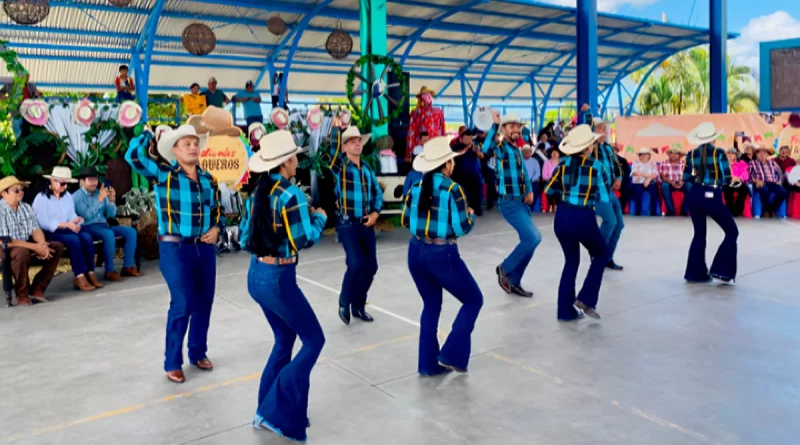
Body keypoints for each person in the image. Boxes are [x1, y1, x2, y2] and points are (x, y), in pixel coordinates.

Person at [244, 130, 327, 443]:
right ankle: (275, 412)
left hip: (256, 275)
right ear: (285, 162)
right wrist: (318, 217)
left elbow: (243, 237)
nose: (297, 160)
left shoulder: (257, 194)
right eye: (294, 156)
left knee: (284, 340)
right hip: (279, 279)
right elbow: (304, 239)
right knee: (314, 340)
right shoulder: (291, 195)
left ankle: (265, 409)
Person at [125, 125, 225, 384]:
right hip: (175, 248)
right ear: (174, 150)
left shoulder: (208, 179)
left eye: (195, 143)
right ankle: (172, 362)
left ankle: (198, 352)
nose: (192, 147)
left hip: (204, 247)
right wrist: (147, 132)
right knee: (182, 302)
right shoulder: (163, 174)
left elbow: (218, 212)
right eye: (186, 143)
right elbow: (134, 157)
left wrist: (217, 228)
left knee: (205, 301)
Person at [402, 136, 483, 375]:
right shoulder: (453, 189)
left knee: (431, 305)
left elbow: (406, 219)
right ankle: (451, 354)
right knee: (473, 300)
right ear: (446, 164)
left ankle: (427, 365)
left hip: (416, 251)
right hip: (442, 253)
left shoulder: (416, 187)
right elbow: (461, 227)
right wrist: (470, 215)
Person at [544, 124, 608, 321]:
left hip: (562, 217)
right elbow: (603, 198)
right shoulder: (596, 166)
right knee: (601, 253)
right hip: (583, 217)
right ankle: (586, 299)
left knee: (571, 261)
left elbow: (548, 191)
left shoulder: (562, 164)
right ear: (588, 146)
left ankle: (565, 311)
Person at [329, 119, 383, 324]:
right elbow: (332, 155)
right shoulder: (340, 166)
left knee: (371, 267)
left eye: (359, 140)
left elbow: (377, 193)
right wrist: (336, 129)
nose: (357, 144)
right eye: (351, 141)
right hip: (347, 224)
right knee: (356, 264)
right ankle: (344, 301)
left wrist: (376, 214)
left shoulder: (367, 169)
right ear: (344, 147)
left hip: (366, 224)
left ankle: (358, 305)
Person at [482, 111, 540, 297]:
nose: (516, 129)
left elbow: (523, 172)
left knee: (531, 241)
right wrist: (495, 125)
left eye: (518, 126)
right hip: (508, 202)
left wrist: (529, 190)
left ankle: (514, 281)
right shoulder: (500, 148)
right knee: (532, 238)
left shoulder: (517, 150)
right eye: (512, 126)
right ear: (504, 129)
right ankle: (504, 268)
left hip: (522, 202)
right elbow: (485, 150)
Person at [682, 122, 741, 285]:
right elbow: (727, 178)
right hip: (711, 195)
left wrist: (699, 180)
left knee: (699, 234)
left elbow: (685, 177)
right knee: (732, 231)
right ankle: (722, 271)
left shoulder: (691, 153)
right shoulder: (719, 153)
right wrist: (731, 180)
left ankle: (695, 273)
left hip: (695, 195)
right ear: (713, 137)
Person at [32, 167, 99, 292]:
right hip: (49, 232)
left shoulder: (67, 196)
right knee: (74, 240)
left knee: (86, 236)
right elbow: (44, 223)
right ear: (52, 181)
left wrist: (77, 220)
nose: (64, 187)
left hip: (66, 229)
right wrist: (66, 225)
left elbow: (71, 215)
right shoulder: (41, 198)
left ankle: (90, 272)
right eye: (62, 183)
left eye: (66, 184)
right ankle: (79, 276)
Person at [0, 176, 64, 305]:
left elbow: (35, 229)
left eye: (22, 190)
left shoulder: (26, 208)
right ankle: (22, 294)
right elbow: (7, 241)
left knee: (56, 247)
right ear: (3, 193)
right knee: (22, 252)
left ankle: (37, 288)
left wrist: (42, 244)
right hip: (6, 249)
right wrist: (35, 247)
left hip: (25, 245)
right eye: (16, 190)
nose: (21, 193)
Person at [73, 166, 141, 280]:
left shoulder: (100, 193)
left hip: (104, 225)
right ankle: (109, 270)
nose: (94, 183)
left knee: (131, 232)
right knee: (108, 234)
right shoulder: (77, 197)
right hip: (87, 227)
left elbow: (111, 214)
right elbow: (86, 215)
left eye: (95, 179)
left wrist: (111, 200)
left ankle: (128, 266)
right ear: (82, 181)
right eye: (90, 180)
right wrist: (99, 199)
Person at [590, 118, 625, 271]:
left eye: (604, 127)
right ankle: (598, 254)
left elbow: (617, 166)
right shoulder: (591, 147)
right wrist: (586, 112)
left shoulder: (608, 148)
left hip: (610, 190)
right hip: (598, 191)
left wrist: (619, 178)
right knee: (610, 222)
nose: (603, 130)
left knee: (619, 224)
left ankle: (607, 257)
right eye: (599, 127)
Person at [451, 127, 485, 215]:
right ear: (461, 139)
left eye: (469, 138)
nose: (468, 140)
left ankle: (476, 209)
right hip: (460, 175)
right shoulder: (456, 146)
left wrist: (478, 152)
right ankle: (462, 210)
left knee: (476, 192)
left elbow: (482, 156)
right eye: (466, 138)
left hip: (474, 174)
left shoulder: (474, 146)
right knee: (462, 193)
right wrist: (467, 147)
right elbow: (456, 155)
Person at [748, 144, 787, 217]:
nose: (762, 155)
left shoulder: (772, 163)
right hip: (761, 183)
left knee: (784, 192)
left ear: (767, 154)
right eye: (760, 153)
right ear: (756, 155)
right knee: (765, 191)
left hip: (773, 183)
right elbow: (748, 176)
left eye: (764, 153)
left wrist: (779, 180)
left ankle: (771, 208)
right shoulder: (752, 163)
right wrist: (755, 181)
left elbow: (780, 173)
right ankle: (766, 210)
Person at [659, 146, 691, 216]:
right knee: (664, 186)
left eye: (676, 153)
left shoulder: (685, 164)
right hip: (669, 183)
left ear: (680, 155)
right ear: (669, 154)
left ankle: (684, 210)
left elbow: (688, 175)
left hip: (682, 183)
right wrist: (671, 182)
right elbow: (663, 177)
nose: (673, 155)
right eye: (671, 153)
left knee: (690, 186)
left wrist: (683, 182)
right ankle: (671, 211)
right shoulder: (664, 163)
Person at [631, 148, 660, 216]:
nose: (642, 156)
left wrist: (648, 179)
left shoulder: (652, 162)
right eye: (640, 154)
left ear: (649, 155)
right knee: (637, 193)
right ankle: (638, 211)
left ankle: (653, 211)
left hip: (650, 181)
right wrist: (647, 175)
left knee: (654, 192)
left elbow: (655, 174)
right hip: (638, 182)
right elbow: (634, 173)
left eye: (644, 154)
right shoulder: (636, 162)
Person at [722, 148, 750, 217]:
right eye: (729, 154)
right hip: (727, 182)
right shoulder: (723, 164)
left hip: (738, 182)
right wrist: (730, 178)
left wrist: (739, 178)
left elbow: (746, 174)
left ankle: (738, 210)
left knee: (744, 190)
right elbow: (720, 174)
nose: (730, 155)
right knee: (727, 191)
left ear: (735, 155)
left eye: (732, 154)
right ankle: (730, 210)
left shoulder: (740, 164)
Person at [612, 143, 633, 210]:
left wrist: (620, 180)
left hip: (621, 180)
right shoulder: (605, 159)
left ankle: (620, 208)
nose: (613, 151)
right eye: (611, 150)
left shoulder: (623, 160)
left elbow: (627, 173)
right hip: (608, 180)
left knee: (628, 188)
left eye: (614, 150)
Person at [521, 144, 541, 211]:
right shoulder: (520, 161)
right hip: (522, 181)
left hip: (532, 180)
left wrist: (533, 179)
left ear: (530, 152)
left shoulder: (534, 161)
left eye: (528, 151)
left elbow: (538, 172)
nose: (527, 153)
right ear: (522, 152)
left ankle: (531, 206)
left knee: (535, 188)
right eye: (525, 151)